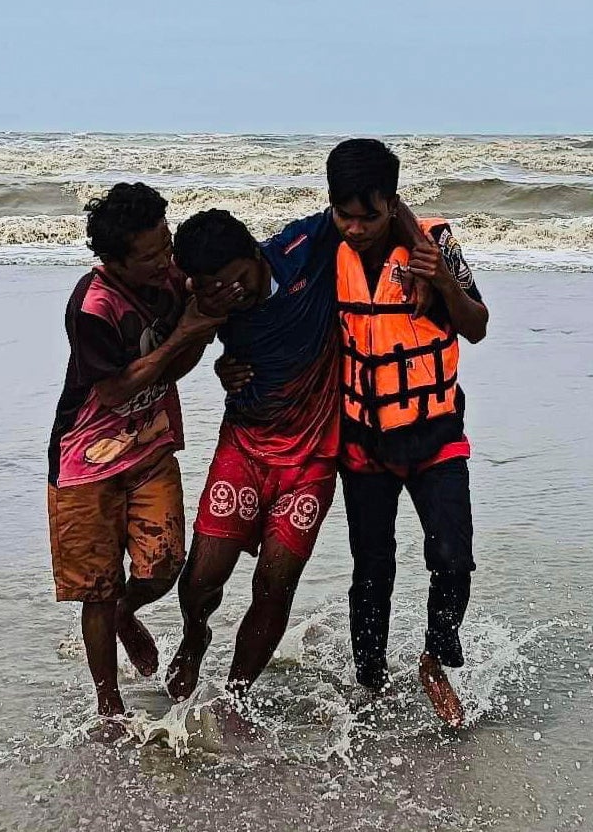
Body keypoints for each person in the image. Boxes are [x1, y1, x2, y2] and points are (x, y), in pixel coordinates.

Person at [326, 139, 489, 728]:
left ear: (393, 203)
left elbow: (477, 327)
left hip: (435, 431)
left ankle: (434, 659)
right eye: (345, 215)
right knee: (371, 567)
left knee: (453, 557)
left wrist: (442, 279)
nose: (356, 228)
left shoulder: (436, 242)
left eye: (369, 216)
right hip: (363, 440)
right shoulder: (327, 244)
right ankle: (369, 679)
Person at [47, 183, 224, 719]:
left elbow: (177, 363)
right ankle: (109, 707)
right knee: (96, 590)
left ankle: (127, 613)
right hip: (84, 462)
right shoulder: (92, 307)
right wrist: (185, 333)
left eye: (166, 244)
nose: (166, 261)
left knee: (164, 566)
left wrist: (202, 329)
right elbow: (115, 390)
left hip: (149, 449)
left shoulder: (172, 281)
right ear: (113, 260)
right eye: (150, 256)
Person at [162, 206, 348, 702]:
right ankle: (195, 636)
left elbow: (367, 203)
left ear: (255, 254)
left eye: (234, 281)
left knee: (274, 582)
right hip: (244, 445)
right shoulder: (204, 301)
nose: (228, 294)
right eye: (211, 287)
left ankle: (237, 694)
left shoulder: (303, 250)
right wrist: (208, 340)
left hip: (312, 457)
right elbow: (173, 364)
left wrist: (431, 243)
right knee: (203, 577)